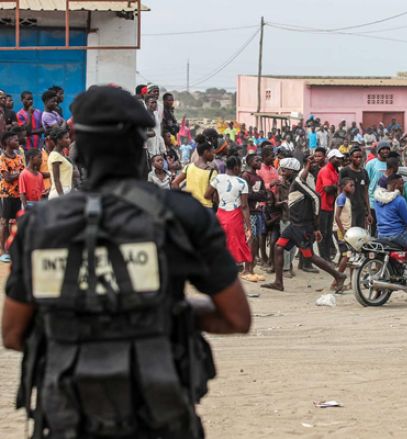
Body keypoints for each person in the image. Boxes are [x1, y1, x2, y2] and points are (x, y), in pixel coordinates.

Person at [2, 85, 251, 439]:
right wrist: (165, 310)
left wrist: (80, 313)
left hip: (67, 419)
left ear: (78, 152)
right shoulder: (182, 216)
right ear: (140, 150)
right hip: (159, 416)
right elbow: (236, 316)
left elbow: (13, 333)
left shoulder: (39, 225)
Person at [262, 157, 346, 292]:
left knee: (309, 255)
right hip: (294, 225)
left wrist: (316, 227)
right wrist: (307, 165)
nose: (281, 173)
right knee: (278, 247)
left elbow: (316, 197)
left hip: (302, 226)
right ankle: (279, 282)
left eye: (283, 171)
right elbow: (302, 174)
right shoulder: (297, 180)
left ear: (291, 171)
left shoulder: (297, 183)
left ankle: (339, 275)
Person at [205, 156, 254, 280]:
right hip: (235, 215)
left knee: (221, 242)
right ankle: (247, 270)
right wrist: (249, 227)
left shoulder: (217, 178)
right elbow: (244, 206)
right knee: (243, 241)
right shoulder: (242, 183)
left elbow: (206, 195)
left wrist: (217, 195)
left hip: (221, 214)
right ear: (236, 167)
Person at [0, 131, 24, 263]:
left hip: (18, 193)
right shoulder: (3, 158)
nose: (17, 141)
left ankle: (12, 249)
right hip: (7, 194)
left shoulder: (19, 156)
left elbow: (22, 172)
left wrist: (18, 174)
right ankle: (3, 251)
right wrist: (19, 174)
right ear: (7, 142)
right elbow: (7, 178)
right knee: (4, 222)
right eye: (15, 140)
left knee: (14, 222)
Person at [171, 141, 217, 211]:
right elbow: (209, 195)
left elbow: (175, 183)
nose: (213, 155)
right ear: (206, 152)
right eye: (212, 152)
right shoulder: (212, 172)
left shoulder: (188, 167)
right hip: (205, 208)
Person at [242, 153, 268, 277]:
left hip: (258, 212)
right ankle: (247, 268)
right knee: (250, 240)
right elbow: (248, 195)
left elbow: (266, 195)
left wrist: (258, 194)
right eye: (257, 160)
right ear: (249, 161)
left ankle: (251, 266)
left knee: (256, 240)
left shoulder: (259, 178)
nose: (260, 162)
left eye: (260, 160)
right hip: (250, 213)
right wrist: (259, 193)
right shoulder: (246, 176)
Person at [316, 149, 343, 262]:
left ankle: (326, 257)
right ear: (331, 159)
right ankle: (324, 258)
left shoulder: (335, 171)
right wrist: (337, 187)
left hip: (330, 205)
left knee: (327, 233)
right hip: (322, 205)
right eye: (337, 158)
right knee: (323, 233)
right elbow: (327, 188)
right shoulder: (326, 170)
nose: (340, 160)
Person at [339, 147, 372, 228]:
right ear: (350, 158)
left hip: (361, 209)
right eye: (356, 157)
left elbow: (365, 192)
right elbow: (339, 191)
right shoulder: (344, 171)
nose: (359, 159)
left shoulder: (364, 172)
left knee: (361, 235)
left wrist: (369, 212)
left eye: (360, 157)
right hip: (349, 210)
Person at [333, 177, 354, 287]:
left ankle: (351, 282)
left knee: (350, 255)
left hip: (346, 229)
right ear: (344, 186)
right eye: (351, 185)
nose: (353, 188)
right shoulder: (342, 198)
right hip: (341, 230)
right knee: (347, 255)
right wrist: (343, 231)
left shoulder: (346, 198)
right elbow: (337, 216)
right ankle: (336, 281)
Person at [365, 141, 390, 235]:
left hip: (387, 201)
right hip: (373, 202)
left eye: (387, 149)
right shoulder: (371, 164)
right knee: (373, 229)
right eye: (383, 149)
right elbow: (366, 184)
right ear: (378, 150)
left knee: (384, 228)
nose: (385, 151)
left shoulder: (390, 164)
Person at [46, 126, 73, 199]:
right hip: (59, 194)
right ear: (58, 140)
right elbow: (56, 180)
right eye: (66, 138)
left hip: (65, 192)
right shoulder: (55, 156)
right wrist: (62, 199)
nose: (69, 140)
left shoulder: (61, 155)